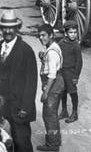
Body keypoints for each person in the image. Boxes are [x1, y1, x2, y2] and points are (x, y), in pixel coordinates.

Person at [0, 9, 38, 152]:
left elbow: (31, 82)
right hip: (0, 106)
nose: (8, 31)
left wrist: (26, 107)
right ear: (1, 29)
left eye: (11, 28)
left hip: (18, 108)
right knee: (3, 141)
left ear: (17, 29)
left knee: (21, 142)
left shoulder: (26, 50)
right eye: (5, 28)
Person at [36, 23, 64, 152]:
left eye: (44, 35)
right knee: (50, 115)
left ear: (51, 35)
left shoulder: (52, 52)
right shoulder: (53, 47)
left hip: (53, 85)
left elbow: (52, 74)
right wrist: (43, 57)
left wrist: (46, 92)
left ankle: (52, 145)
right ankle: (53, 142)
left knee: (49, 115)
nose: (42, 38)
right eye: (40, 36)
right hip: (56, 84)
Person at [57, 21, 82, 123]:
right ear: (66, 33)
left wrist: (76, 76)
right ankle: (64, 111)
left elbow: (79, 62)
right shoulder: (61, 43)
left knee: (72, 92)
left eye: (75, 32)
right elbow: (56, 53)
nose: (73, 35)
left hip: (71, 73)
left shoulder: (76, 45)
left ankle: (74, 113)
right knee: (63, 91)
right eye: (71, 32)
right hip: (62, 71)